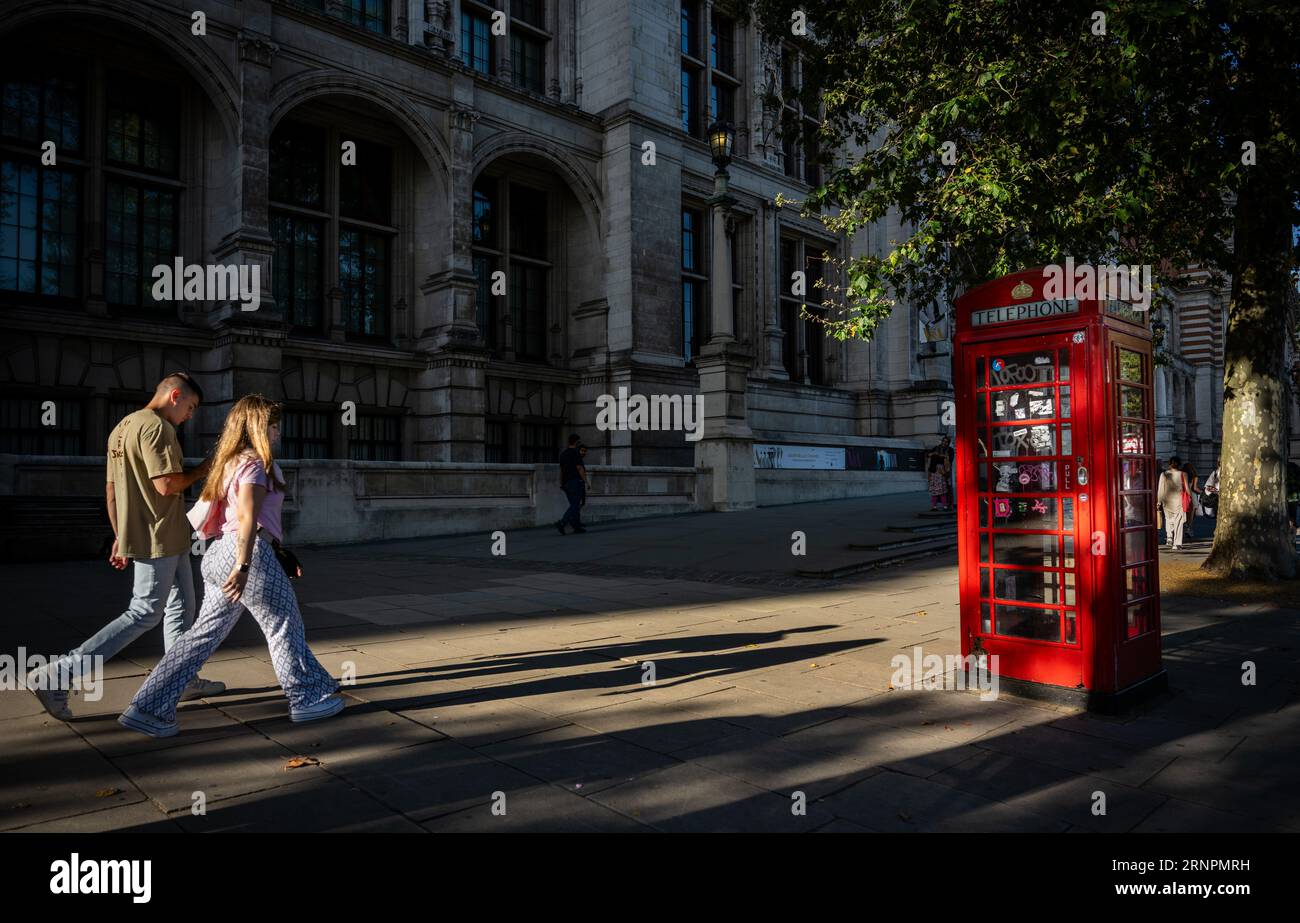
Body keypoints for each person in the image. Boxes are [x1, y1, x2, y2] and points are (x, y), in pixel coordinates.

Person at [119, 395, 342, 737]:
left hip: (218, 554)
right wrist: (244, 565)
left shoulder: (229, 462)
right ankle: (307, 698)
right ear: (257, 426)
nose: (278, 431)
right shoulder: (254, 464)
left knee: (201, 636)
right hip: (245, 554)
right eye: (273, 424)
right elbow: (247, 517)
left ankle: (147, 707)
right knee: (282, 625)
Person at [25, 373, 225, 720]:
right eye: (190, 408)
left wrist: (120, 536)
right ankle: (57, 674)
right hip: (159, 537)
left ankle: (181, 678)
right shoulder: (159, 428)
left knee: (181, 609)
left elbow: (111, 490)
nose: (189, 416)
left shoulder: (122, 427)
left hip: (165, 536)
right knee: (145, 613)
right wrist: (207, 469)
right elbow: (166, 485)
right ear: (175, 396)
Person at [555, 434, 587, 535]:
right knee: (575, 505)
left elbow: (561, 470)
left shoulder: (563, 454)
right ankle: (562, 522)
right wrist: (586, 481)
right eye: (579, 442)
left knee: (574, 505)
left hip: (566, 482)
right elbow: (579, 468)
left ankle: (576, 527)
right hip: (575, 481)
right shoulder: (576, 453)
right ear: (576, 442)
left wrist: (561, 483)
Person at [1157, 456, 1190, 551]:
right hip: (1179, 500)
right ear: (1179, 464)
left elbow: (1160, 489)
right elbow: (1187, 489)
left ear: (1169, 464)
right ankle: (1177, 544)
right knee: (1178, 522)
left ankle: (1169, 537)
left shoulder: (1164, 474)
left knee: (1168, 519)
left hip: (1166, 500)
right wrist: (1190, 498)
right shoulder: (1183, 474)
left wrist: (1158, 501)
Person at [926, 437, 951, 511]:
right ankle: (934, 506)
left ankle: (945, 506)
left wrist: (943, 456)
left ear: (948, 443)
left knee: (942, 491)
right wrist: (934, 453)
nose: (944, 443)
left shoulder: (949, 450)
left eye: (946, 442)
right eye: (943, 441)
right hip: (934, 471)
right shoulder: (936, 448)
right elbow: (928, 455)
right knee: (934, 491)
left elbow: (949, 460)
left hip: (942, 471)